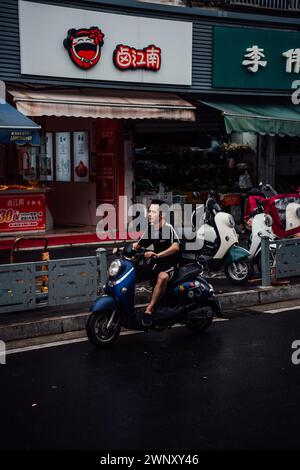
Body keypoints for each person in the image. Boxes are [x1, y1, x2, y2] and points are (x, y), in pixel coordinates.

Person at [132, 199, 180, 327]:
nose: (149, 214)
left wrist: (157, 254)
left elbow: (176, 247)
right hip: (155, 263)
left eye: (153, 212)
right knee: (133, 272)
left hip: (169, 266)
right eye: (149, 211)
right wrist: (121, 250)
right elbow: (137, 245)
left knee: (162, 276)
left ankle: (149, 309)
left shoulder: (168, 229)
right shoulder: (151, 229)